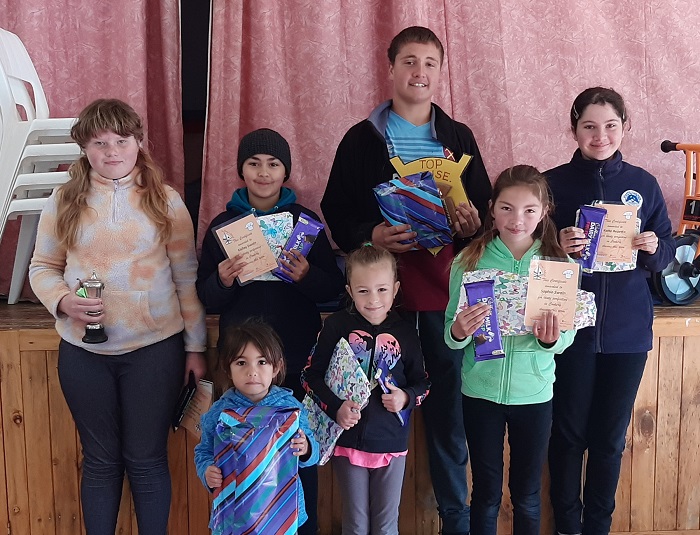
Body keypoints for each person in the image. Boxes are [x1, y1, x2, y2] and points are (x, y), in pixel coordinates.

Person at [320, 26, 492, 535]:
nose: (420, 72)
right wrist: (369, 232)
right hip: (380, 303)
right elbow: (335, 208)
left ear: (441, 72)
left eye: (430, 63)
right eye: (410, 62)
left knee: (447, 421)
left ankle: (454, 522)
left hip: (444, 297)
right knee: (371, 415)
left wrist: (470, 222)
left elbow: (482, 211)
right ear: (391, 69)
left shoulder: (458, 137)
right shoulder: (361, 138)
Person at [28, 98, 207, 534]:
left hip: (154, 350)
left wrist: (196, 348)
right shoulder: (62, 201)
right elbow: (42, 268)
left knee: (146, 460)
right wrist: (64, 302)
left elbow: (187, 279)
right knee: (101, 462)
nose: (111, 151)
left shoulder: (166, 201)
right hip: (82, 354)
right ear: (84, 148)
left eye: (121, 140)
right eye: (99, 142)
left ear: (137, 143)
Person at [196, 127, 344, 533]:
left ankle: (299, 527)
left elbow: (332, 288)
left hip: (295, 361)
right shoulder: (223, 226)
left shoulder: (305, 222)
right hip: (244, 367)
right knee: (241, 454)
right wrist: (223, 280)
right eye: (254, 163)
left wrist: (307, 275)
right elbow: (204, 294)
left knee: (298, 451)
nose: (263, 173)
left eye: (273, 164)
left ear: (286, 172)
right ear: (241, 170)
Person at [546, 87, 674, 535]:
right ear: (574, 128)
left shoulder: (644, 183)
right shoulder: (552, 183)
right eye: (589, 126)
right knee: (567, 437)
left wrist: (655, 248)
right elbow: (525, 253)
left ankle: (597, 527)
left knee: (608, 440)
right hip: (567, 333)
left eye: (611, 125)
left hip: (627, 335)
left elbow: (666, 255)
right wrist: (557, 245)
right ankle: (566, 526)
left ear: (625, 127)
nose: (600, 135)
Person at [444, 165, 577, 535]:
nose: (517, 219)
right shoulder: (469, 260)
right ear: (491, 208)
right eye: (506, 208)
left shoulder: (558, 265)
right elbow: (449, 335)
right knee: (485, 493)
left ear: (544, 211)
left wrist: (551, 338)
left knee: (527, 494)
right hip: (480, 392)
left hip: (534, 394)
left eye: (529, 210)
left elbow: (565, 339)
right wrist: (459, 330)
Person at [303, 244, 430, 535]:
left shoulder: (407, 332)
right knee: (356, 525)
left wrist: (405, 397)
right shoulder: (336, 326)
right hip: (348, 442)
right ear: (349, 290)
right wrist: (336, 408)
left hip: (392, 443)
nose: (373, 300)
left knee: (386, 526)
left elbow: (423, 383)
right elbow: (310, 377)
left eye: (382, 290)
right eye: (363, 291)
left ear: (396, 289)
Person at [194, 320, 319, 533]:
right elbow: (204, 450)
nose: (252, 372)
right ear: (228, 368)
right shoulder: (219, 411)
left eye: (262, 362)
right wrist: (206, 470)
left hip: (281, 511)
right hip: (233, 511)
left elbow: (313, 456)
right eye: (241, 363)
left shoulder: (290, 408)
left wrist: (306, 448)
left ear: (276, 367)